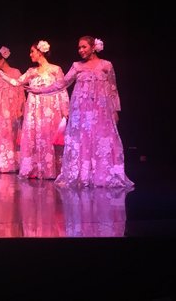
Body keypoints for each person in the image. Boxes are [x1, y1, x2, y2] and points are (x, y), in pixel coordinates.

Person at [27, 36, 134, 188]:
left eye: (84, 47)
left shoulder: (106, 65)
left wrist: (115, 110)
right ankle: (83, 175)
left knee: (101, 139)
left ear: (93, 47)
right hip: (81, 111)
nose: (81, 50)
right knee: (81, 140)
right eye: (79, 47)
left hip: (100, 110)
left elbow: (113, 89)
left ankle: (101, 175)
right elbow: (62, 83)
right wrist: (41, 90)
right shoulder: (77, 66)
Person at [0, 40, 69, 180]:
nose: (30, 54)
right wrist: (0, 73)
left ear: (40, 52)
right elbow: (16, 82)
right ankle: (36, 168)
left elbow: (62, 89)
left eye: (32, 51)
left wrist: (65, 109)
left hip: (50, 109)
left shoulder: (55, 69)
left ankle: (51, 169)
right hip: (34, 109)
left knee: (49, 136)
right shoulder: (31, 71)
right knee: (34, 137)